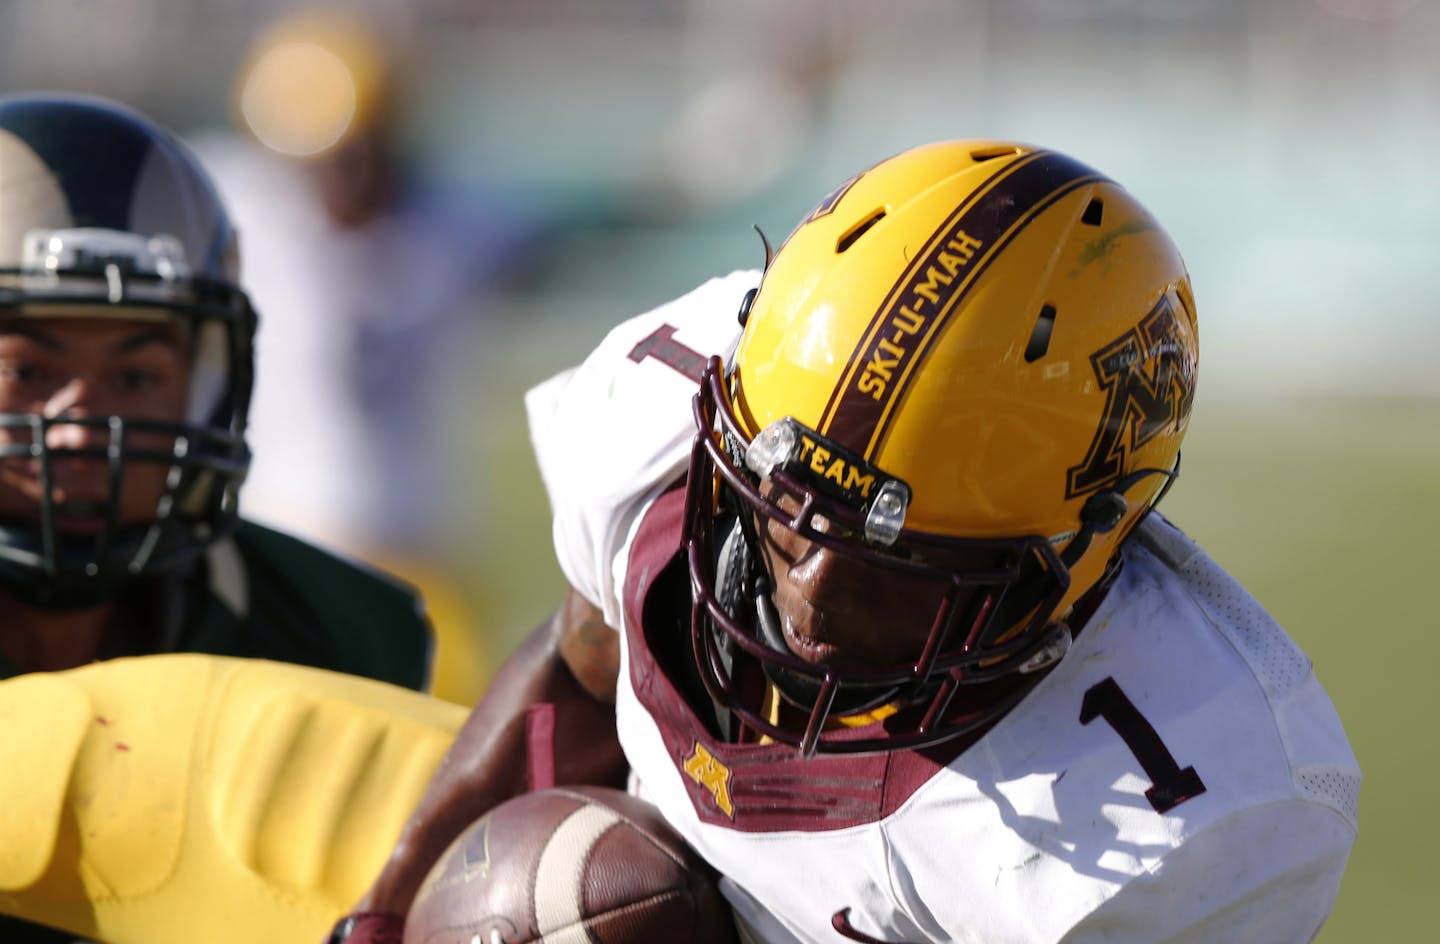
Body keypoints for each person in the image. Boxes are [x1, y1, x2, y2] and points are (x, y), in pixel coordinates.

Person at [333, 140, 1360, 943]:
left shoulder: (1176, 814)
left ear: (1082, 541)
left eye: (891, 558)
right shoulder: (661, 429)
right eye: (785, 514)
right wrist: (382, 914)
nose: (813, 592)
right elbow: (579, 658)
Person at [0, 92, 435, 942]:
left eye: (134, 378)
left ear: (208, 386)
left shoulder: (336, 632)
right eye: (27, 370)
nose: (84, 424)